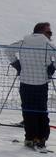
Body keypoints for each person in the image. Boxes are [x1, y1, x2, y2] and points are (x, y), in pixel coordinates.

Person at [8, 22, 56, 150]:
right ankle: (41, 138)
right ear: (41, 32)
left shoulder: (24, 42)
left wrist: (17, 65)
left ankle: (30, 138)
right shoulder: (47, 44)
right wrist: (52, 68)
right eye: (49, 32)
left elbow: (8, 50)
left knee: (28, 111)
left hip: (25, 83)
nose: (51, 35)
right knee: (41, 111)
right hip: (41, 83)